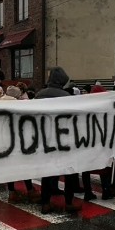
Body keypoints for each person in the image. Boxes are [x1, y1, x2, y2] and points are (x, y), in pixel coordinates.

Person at [35, 67, 81, 214]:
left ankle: (46, 203)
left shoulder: (39, 95)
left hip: (45, 140)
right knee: (70, 172)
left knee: (47, 173)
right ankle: (68, 202)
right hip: (64, 141)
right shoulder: (66, 96)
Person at [0, 86, 40, 203]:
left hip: (4, 141)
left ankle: (12, 192)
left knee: (10, 169)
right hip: (18, 140)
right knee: (23, 166)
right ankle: (30, 190)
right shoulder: (18, 105)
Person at [82, 84, 114, 201]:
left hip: (87, 142)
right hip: (102, 142)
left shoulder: (85, 106)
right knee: (104, 166)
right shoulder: (106, 107)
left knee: (86, 167)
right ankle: (106, 190)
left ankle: (87, 192)